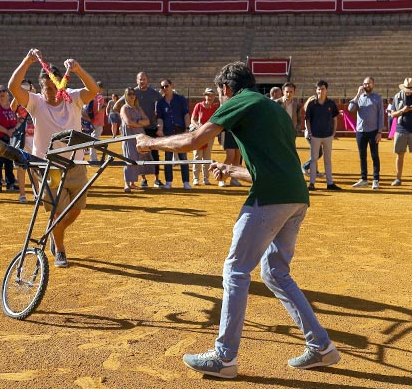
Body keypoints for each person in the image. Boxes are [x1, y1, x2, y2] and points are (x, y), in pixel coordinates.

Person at [136, 61, 340, 379]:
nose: (220, 102)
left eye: (220, 95)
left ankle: (224, 357)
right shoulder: (272, 109)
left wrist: (150, 143)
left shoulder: (240, 101)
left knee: (235, 270)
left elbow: (194, 140)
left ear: (226, 89)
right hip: (295, 198)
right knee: (275, 273)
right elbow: (272, 168)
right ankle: (321, 346)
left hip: (269, 199)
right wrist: (232, 170)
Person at [7, 48, 99, 268]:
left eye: (52, 87)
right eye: (45, 88)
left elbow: (93, 89)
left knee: (76, 209)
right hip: (49, 167)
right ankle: (60, 249)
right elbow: (12, 87)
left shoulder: (73, 98)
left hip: (76, 164)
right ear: (40, 88)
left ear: (62, 85)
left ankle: (55, 231)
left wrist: (77, 69)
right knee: (58, 211)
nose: (49, 92)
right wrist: (27, 61)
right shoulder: (36, 102)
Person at [114, 72, 163, 188]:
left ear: (147, 80)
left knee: (150, 155)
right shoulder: (132, 94)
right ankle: (142, 180)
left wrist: (136, 123)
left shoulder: (153, 93)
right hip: (134, 133)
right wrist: (124, 119)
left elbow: (161, 104)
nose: (142, 81)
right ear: (137, 80)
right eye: (140, 79)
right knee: (132, 156)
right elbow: (116, 107)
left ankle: (156, 179)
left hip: (149, 128)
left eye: (144, 79)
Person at [347, 77, 384, 189]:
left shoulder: (378, 98)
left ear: (373, 84)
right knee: (362, 155)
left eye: (369, 83)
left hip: (373, 131)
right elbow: (350, 108)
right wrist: (357, 94)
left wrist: (380, 132)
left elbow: (381, 115)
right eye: (364, 84)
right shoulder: (359, 98)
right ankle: (364, 179)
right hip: (361, 131)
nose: (366, 85)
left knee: (374, 155)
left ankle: (375, 179)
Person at [305, 80, 341, 191]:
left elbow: (335, 119)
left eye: (323, 89)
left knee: (327, 159)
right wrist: (310, 132)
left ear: (326, 90)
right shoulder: (312, 104)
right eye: (319, 89)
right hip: (315, 135)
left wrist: (334, 132)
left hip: (328, 135)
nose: (321, 91)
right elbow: (308, 120)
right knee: (314, 159)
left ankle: (330, 183)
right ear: (316, 90)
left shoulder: (331, 103)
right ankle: (312, 183)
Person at [156, 78, 191, 189]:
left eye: (166, 86)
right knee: (168, 157)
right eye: (162, 87)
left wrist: (187, 128)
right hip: (167, 131)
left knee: (183, 156)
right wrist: (160, 129)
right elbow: (160, 118)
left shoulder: (180, 99)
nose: (164, 88)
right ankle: (168, 182)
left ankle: (186, 181)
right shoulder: (160, 103)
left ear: (171, 86)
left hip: (180, 130)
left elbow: (186, 114)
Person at [389, 78, 412, 187]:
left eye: (410, 89)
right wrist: (402, 111)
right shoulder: (397, 96)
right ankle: (398, 178)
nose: (409, 91)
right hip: (400, 129)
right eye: (407, 89)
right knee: (400, 154)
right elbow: (392, 115)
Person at [120, 87, 154, 192]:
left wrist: (137, 122)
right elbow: (128, 122)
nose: (131, 96)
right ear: (126, 96)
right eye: (129, 94)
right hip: (129, 138)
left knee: (139, 159)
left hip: (140, 137)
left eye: (133, 94)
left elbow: (147, 121)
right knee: (129, 158)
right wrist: (140, 122)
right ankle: (126, 183)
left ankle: (132, 183)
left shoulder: (139, 108)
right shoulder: (124, 108)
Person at [0, 84, 19, 193]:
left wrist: (13, 130)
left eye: (3, 91)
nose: (1, 93)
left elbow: (18, 119)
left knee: (9, 161)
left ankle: (10, 183)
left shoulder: (12, 106)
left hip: (10, 137)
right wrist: (7, 131)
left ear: (7, 93)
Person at [10, 80, 36, 203]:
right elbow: (12, 107)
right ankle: (22, 194)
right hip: (22, 137)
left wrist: (32, 92)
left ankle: (37, 193)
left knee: (35, 168)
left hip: (35, 137)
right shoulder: (18, 100)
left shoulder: (35, 97)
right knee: (21, 168)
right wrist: (17, 93)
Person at [190, 87, 218, 185]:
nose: (209, 97)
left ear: (214, 97)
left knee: (207, 157)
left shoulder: (215, 108)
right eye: (207, 95)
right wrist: (199, 127)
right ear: (204, 96)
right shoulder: (199, 106)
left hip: (209, 135)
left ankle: (206, 178)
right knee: (197, 156)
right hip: (199, 134)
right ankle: (195, 178)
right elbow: (192, 120)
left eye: (211, 95)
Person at [89, 81, 107, 162]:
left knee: (93, 139)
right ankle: (93, 158)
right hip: (98, 121)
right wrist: (105, 107)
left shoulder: (93, 96)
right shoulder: (100, 97)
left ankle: (93, 157)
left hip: (92, 120)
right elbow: (100, 110)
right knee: (94, 140)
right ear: (101, 89)